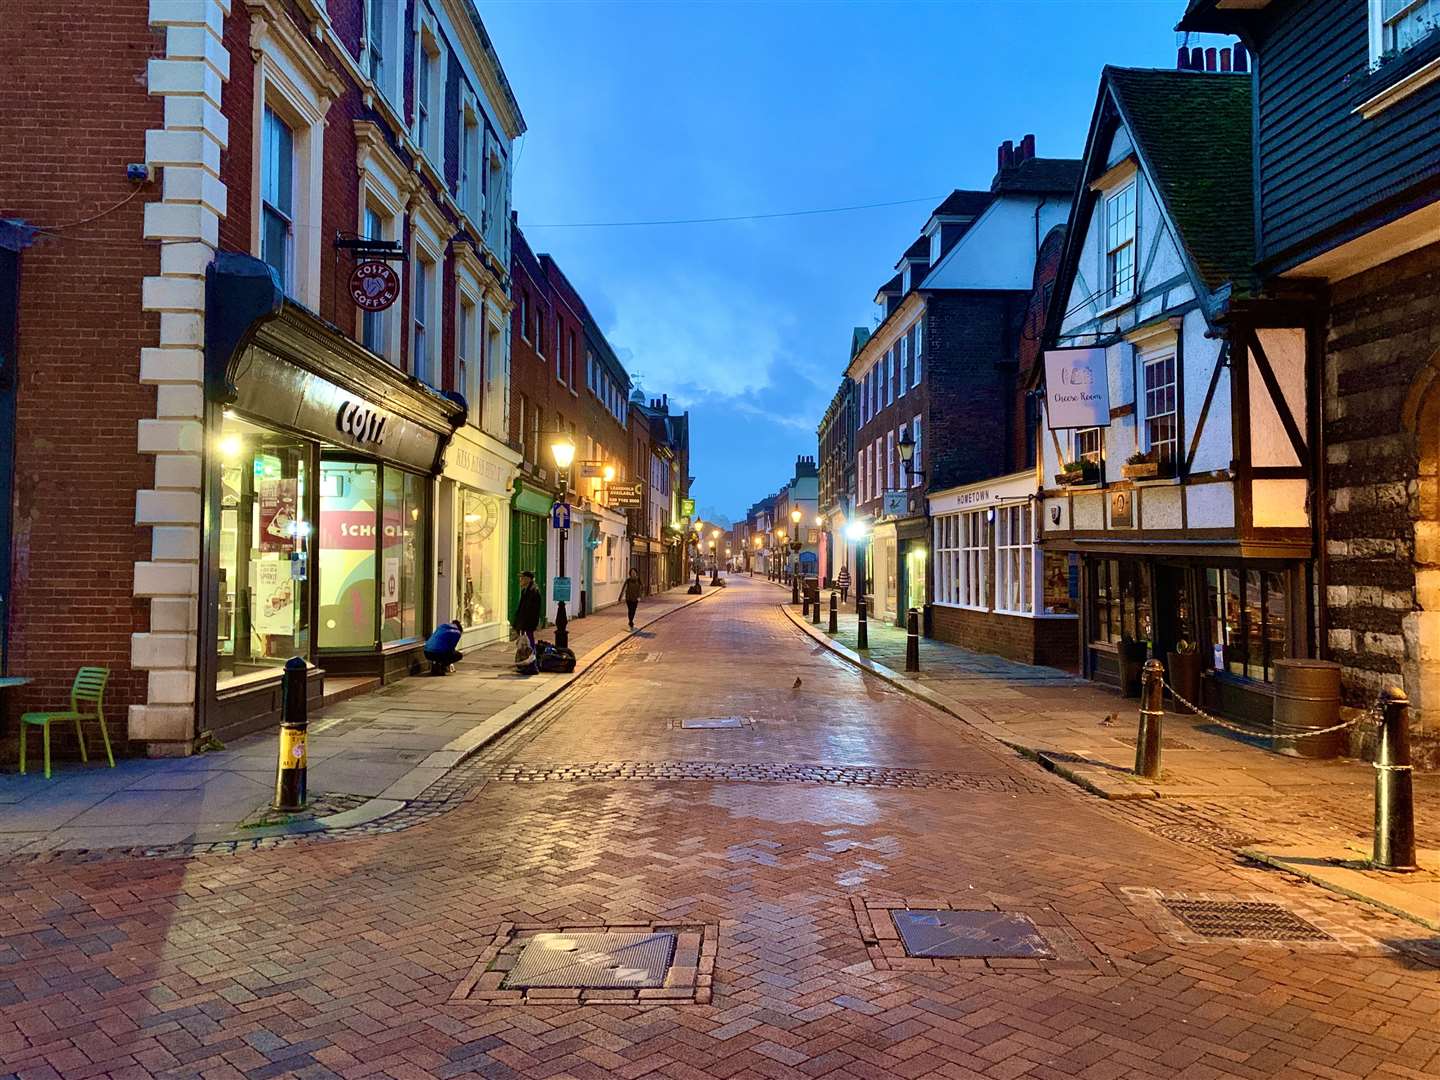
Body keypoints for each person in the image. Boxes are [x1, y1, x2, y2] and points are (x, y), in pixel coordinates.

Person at [512, 569, 542, 673]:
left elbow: (529, 610)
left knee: (529, 644)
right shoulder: (526, 590)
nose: (521, 580)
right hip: (525, 623)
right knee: (526, 645)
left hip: (528, 623)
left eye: (523, 578)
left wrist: (522, 624)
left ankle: (532, 666)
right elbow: (522, 609)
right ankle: (527, 665)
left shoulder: (533, 591)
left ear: (528, 579)